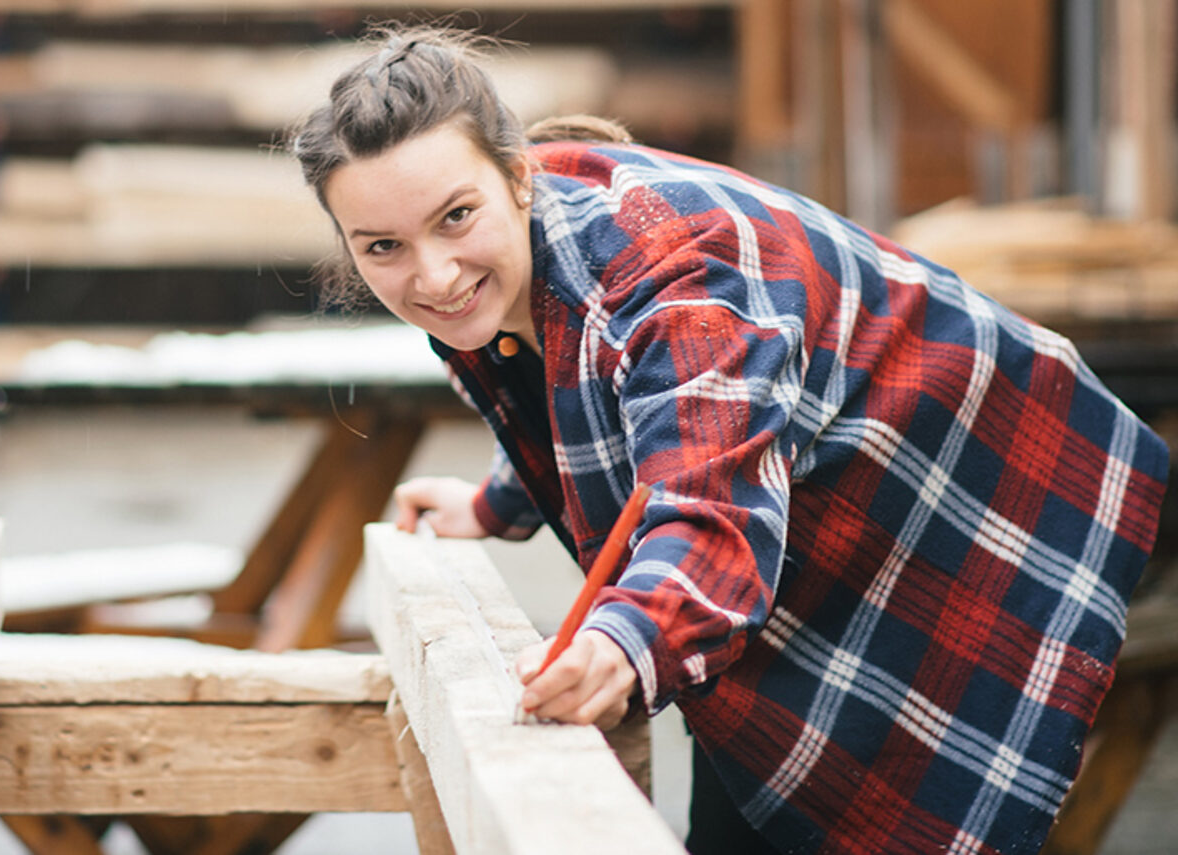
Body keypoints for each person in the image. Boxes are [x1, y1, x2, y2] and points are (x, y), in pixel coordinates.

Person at [288, 25, 1169, 855]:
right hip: (824, 504)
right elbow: (594, 391)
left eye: (454, 218)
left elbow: (708, 503)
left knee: (906, 778)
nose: (432, 275)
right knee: (740, 762)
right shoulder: (509, 253)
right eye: (382, 247)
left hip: (992, 487)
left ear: (519, 176)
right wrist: (497, 499)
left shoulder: (678, 274)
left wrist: (627, 638)